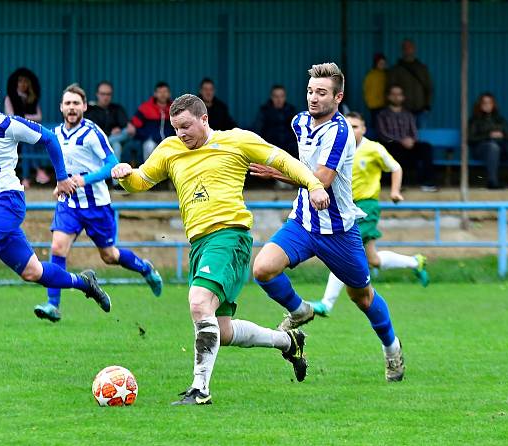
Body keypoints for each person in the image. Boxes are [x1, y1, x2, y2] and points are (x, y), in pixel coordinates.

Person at [112, 94, 330, 405]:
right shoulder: (170, 150)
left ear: (204, 119)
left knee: (199, 303)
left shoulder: (237, 140)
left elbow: (282, 160)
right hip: (200, 244)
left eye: (186, 126)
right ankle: (287, 341)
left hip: (229, 237)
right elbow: (140, 181)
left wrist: (315, 185)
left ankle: (200, 390)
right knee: (222, 331)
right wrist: (124, 175)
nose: (181, 134)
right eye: (175, 128)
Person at [249, 63, 405, 382]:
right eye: (310, 91)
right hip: (304, 223)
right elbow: (304, 169)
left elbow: (321, 178)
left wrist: (275, 173)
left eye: (321, 92)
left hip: (339, 232)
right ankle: (300, 310)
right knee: (262, 268)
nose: (313, 98)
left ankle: (392, 349)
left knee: (361, 297)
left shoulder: (340, 131)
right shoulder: (299, 122)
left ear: (338, 97)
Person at [0, 70, 112, 343]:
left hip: (6, 201)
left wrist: (61, 178)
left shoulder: (9, 124)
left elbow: (49, 139)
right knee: (33, 272)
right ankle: (84, 283)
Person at [255, 112, 429, 316]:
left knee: (341, 255)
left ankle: (326, 303)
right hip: (343, 207)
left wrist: (395, 191)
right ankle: (415, 262)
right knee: (372, 259)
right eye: (350, 125)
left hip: (365, 207)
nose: (352, 129)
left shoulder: (373, 148)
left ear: (364, 129)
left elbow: (395, 167)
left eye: (356, 126)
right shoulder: (332, 145)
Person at [33, 84, 163, 323]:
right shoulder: (56, 134)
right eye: (67, 103)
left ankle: (146, 269)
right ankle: (53, 305)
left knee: (109, 256)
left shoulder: (92, 132)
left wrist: (85, 179)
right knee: (58, 248)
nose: (71, 108)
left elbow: (113, 164)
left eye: (76, 103)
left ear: (84, 106)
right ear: (61, 107)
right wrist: (61, 183)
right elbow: (65, 167)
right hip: (69, 203)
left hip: (96, 205)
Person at [376, 85, 437, 192]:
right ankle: (398, 184)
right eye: (393, 94)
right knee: (395, 148)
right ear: (389, 97)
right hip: (392, 145)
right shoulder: (382, 114)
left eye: (399, 94)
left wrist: (411, 141)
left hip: (409, 145)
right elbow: (383, 134)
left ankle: (428, 183)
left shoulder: (408, 114)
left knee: (426, 147)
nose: (396, 97)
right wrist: (401, 141)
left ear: (403, 97)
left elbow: (414, 132)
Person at [4, 67, 50, 187]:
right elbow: (11, 117)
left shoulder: (32, 99)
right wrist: (27, 118)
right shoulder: (10, 98)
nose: (23, 84)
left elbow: (39, 116)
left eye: (25, 82)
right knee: (25, 143)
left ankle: (26, 179)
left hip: (29, 135)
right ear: (16, 83)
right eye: (20, 82)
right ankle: (38, 171)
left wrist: (23, 117)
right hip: (13, 135)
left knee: (27, 144)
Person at [468, 92, 508, 189]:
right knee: (493, 147)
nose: (487, 105)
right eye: (484, 103)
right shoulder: (474, 120)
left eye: (490, 103)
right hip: (482, 150)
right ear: (480, 105)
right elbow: (470, 139)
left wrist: (502, 135)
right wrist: (489, 136)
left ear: (493, 105)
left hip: (501, 150)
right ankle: (492, 182)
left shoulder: (500, 119)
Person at [387, 39, 433, 129]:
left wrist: (427, 105)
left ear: (414, 49)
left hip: (421, 110)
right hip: (402, 110)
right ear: (402, 50)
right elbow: (390, 89)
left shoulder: (422, 68)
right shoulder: (396, 69)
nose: (408, 50)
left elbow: (429, 88)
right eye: (405, 48)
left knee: (420, 137)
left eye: (410, 48)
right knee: (402, 137)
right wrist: (394, 106)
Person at [126, 81, 174, 163]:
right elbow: (134, 125)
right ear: (155, 94)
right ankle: (148, 174)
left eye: (165, 92)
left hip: (170, 141)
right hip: (151, 141)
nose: (162, 94)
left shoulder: (175, 108)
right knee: (149, 146)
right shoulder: (146, 107)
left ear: (169, 94)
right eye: (160, 92)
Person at [86, 81, 130, 161]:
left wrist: (119, 129)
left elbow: (125, 126)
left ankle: (113, 170)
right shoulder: (91, 110)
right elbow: (92, 130)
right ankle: (115, 172)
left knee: (126, 131)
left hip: (118, 137)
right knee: (116, 145)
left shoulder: (117, 108)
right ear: (97, 94)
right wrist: (110, 133)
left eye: (108, 94)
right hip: (99, 139)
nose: (106, 97)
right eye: (103, 94)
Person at [253, 84, 298, 158]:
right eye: (276, 96)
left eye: (282, 96)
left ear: (285, 97)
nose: (279, 99)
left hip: (289, 151)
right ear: (271, 97)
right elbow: (258, 131)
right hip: (270, 150)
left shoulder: (291, 110)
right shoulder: (264, 111)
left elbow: (298, 132)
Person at [362, 53, 387, 131]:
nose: (382, 65)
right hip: (374, 105)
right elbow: (366, 89)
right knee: (375, 126)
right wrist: (369, 102)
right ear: (376, 64)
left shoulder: (386, 74)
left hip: (385, 105)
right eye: (380, 63)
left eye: (383, 63)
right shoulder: (371, 75)